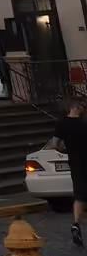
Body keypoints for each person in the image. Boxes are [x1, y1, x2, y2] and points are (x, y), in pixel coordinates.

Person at [52, 102, 87, 246]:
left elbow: (56, 144)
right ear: (78, 108)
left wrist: (66, 151)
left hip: (75, 162)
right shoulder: (84, 123)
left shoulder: (61, 123)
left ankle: (76, 223)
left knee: (79, 195)